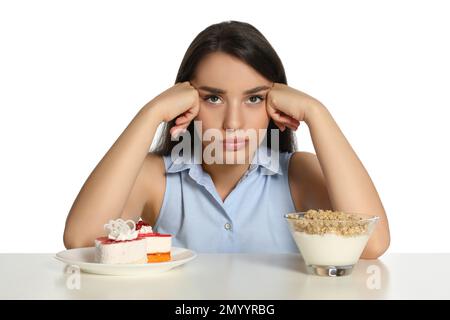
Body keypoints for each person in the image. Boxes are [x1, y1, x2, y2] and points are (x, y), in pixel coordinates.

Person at [63, 20, 390, 257]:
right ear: (185, 102)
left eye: (253, 99)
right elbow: (80, 240)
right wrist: (151, 114)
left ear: (277, 104)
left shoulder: (298, 175)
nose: (233, 124)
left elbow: (371, 244)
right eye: (213, 99)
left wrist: (317, 114)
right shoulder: (157, 177)